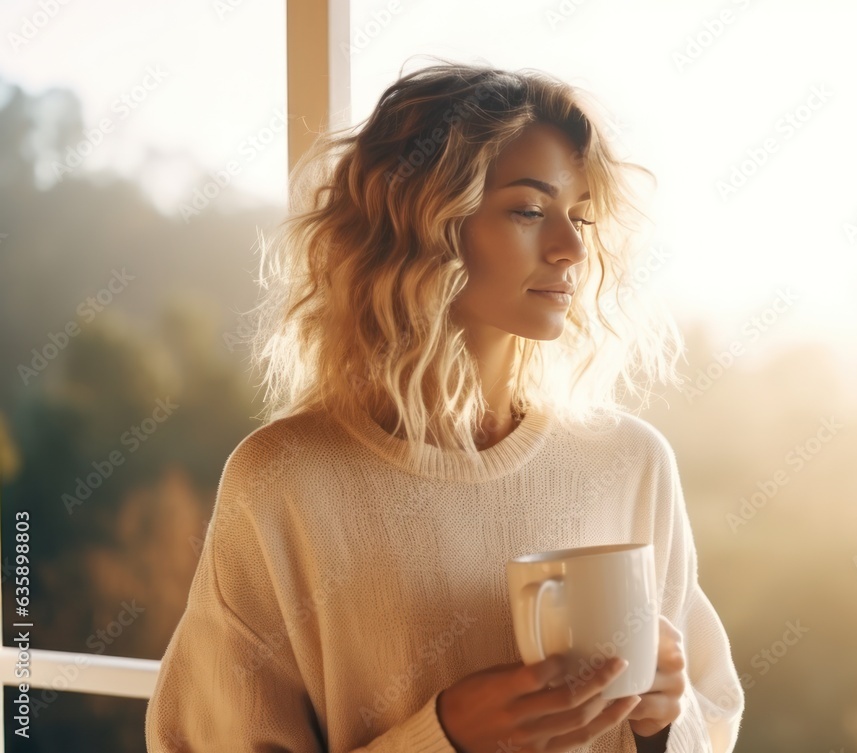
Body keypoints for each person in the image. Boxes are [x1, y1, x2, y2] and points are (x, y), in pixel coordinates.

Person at [145, 58, 744, 753]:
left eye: (580, 214)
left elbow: (714, 714)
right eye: (528, 209)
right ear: (421, 224)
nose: (572, 247)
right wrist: (444, 737)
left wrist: (664, 719)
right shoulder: (283, 478)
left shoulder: (631, 461)